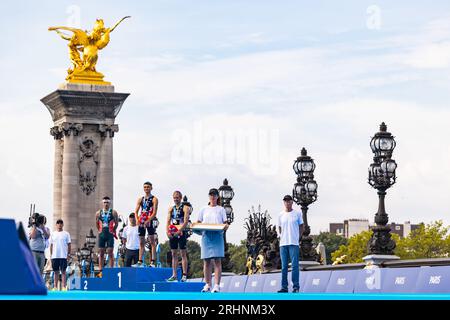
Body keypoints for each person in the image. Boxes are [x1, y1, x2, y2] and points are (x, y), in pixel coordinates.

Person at [197, 188, 229, 293]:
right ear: (209, 196)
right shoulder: (203, 209)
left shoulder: (221, 209)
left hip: (217, 235)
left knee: (217, 261)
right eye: (211, 194)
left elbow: (225, 222)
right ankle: (207, 284)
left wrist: (225, 226)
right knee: (206, 261)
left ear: (217, 196)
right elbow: (198, 222)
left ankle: (216, 285)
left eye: (215, 195)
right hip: (206, 235)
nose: (213, 196)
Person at [277, 195, 304, 293]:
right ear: (284, 203)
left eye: (289, 201)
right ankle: (284, 287)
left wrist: (298, 237)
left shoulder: (297, 213)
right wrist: (280, 236)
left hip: (293, 243)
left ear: (292, 202)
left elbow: (302, 226)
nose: (287, 203)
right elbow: (279, 227)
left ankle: (295, 287)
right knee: (284, 266)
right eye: (285, 201)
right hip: (283, 243)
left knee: (294, 266)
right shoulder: (280, 215)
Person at [166, 191, 191, 282]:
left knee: (183, 253)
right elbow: (168, 221)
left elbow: (185, 222)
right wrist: (167, 231)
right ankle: (174, 275)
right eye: (174, 197)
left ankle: (184, 275)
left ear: (180, 198)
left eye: (177, 197)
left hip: (181, 232)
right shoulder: (171, 209)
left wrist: (179, 231)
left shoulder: (185, 208)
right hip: (173, 233)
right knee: (173, 254)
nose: (176, 199)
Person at [133, 181, 159, 267]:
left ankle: (153, 261)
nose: (146, 188)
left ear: (151, 188)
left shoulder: (154, 199)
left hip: (150, 220)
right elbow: (136, 211)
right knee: (141, 242)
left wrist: (148, 220)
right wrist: (137, 219)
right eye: (145, 187)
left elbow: (154, 212)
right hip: (142, 220)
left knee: (152, 241)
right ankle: (140, 261)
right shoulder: (140, 199)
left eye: (148, 187)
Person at [95, 196, 119, 274]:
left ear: (109, 203)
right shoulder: (98, 213)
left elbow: (116, 223)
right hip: (102, 234)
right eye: (105, 202)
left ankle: (111, 269)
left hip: (109, 234)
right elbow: (96, 223)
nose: (106, 204)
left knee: (110, 252)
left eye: (107, 203)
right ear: (102, 203)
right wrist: (99, 230)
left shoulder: (113, 212)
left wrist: (113, 230)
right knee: (101, 252)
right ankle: (100, 270)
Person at [49, 219, 71, 291]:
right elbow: (51, 245)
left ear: (63, 225)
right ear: (56, 225)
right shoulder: (53, 234)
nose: (59, 224)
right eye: (58, 223)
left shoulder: (66, 234)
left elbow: (69, 244)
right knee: (56, 271)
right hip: (55, 256)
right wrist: (51, 255)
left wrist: (68, 254)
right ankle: (55, 287)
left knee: (63, 271)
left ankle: (64, 287)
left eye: (61, 223)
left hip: (63, 255)